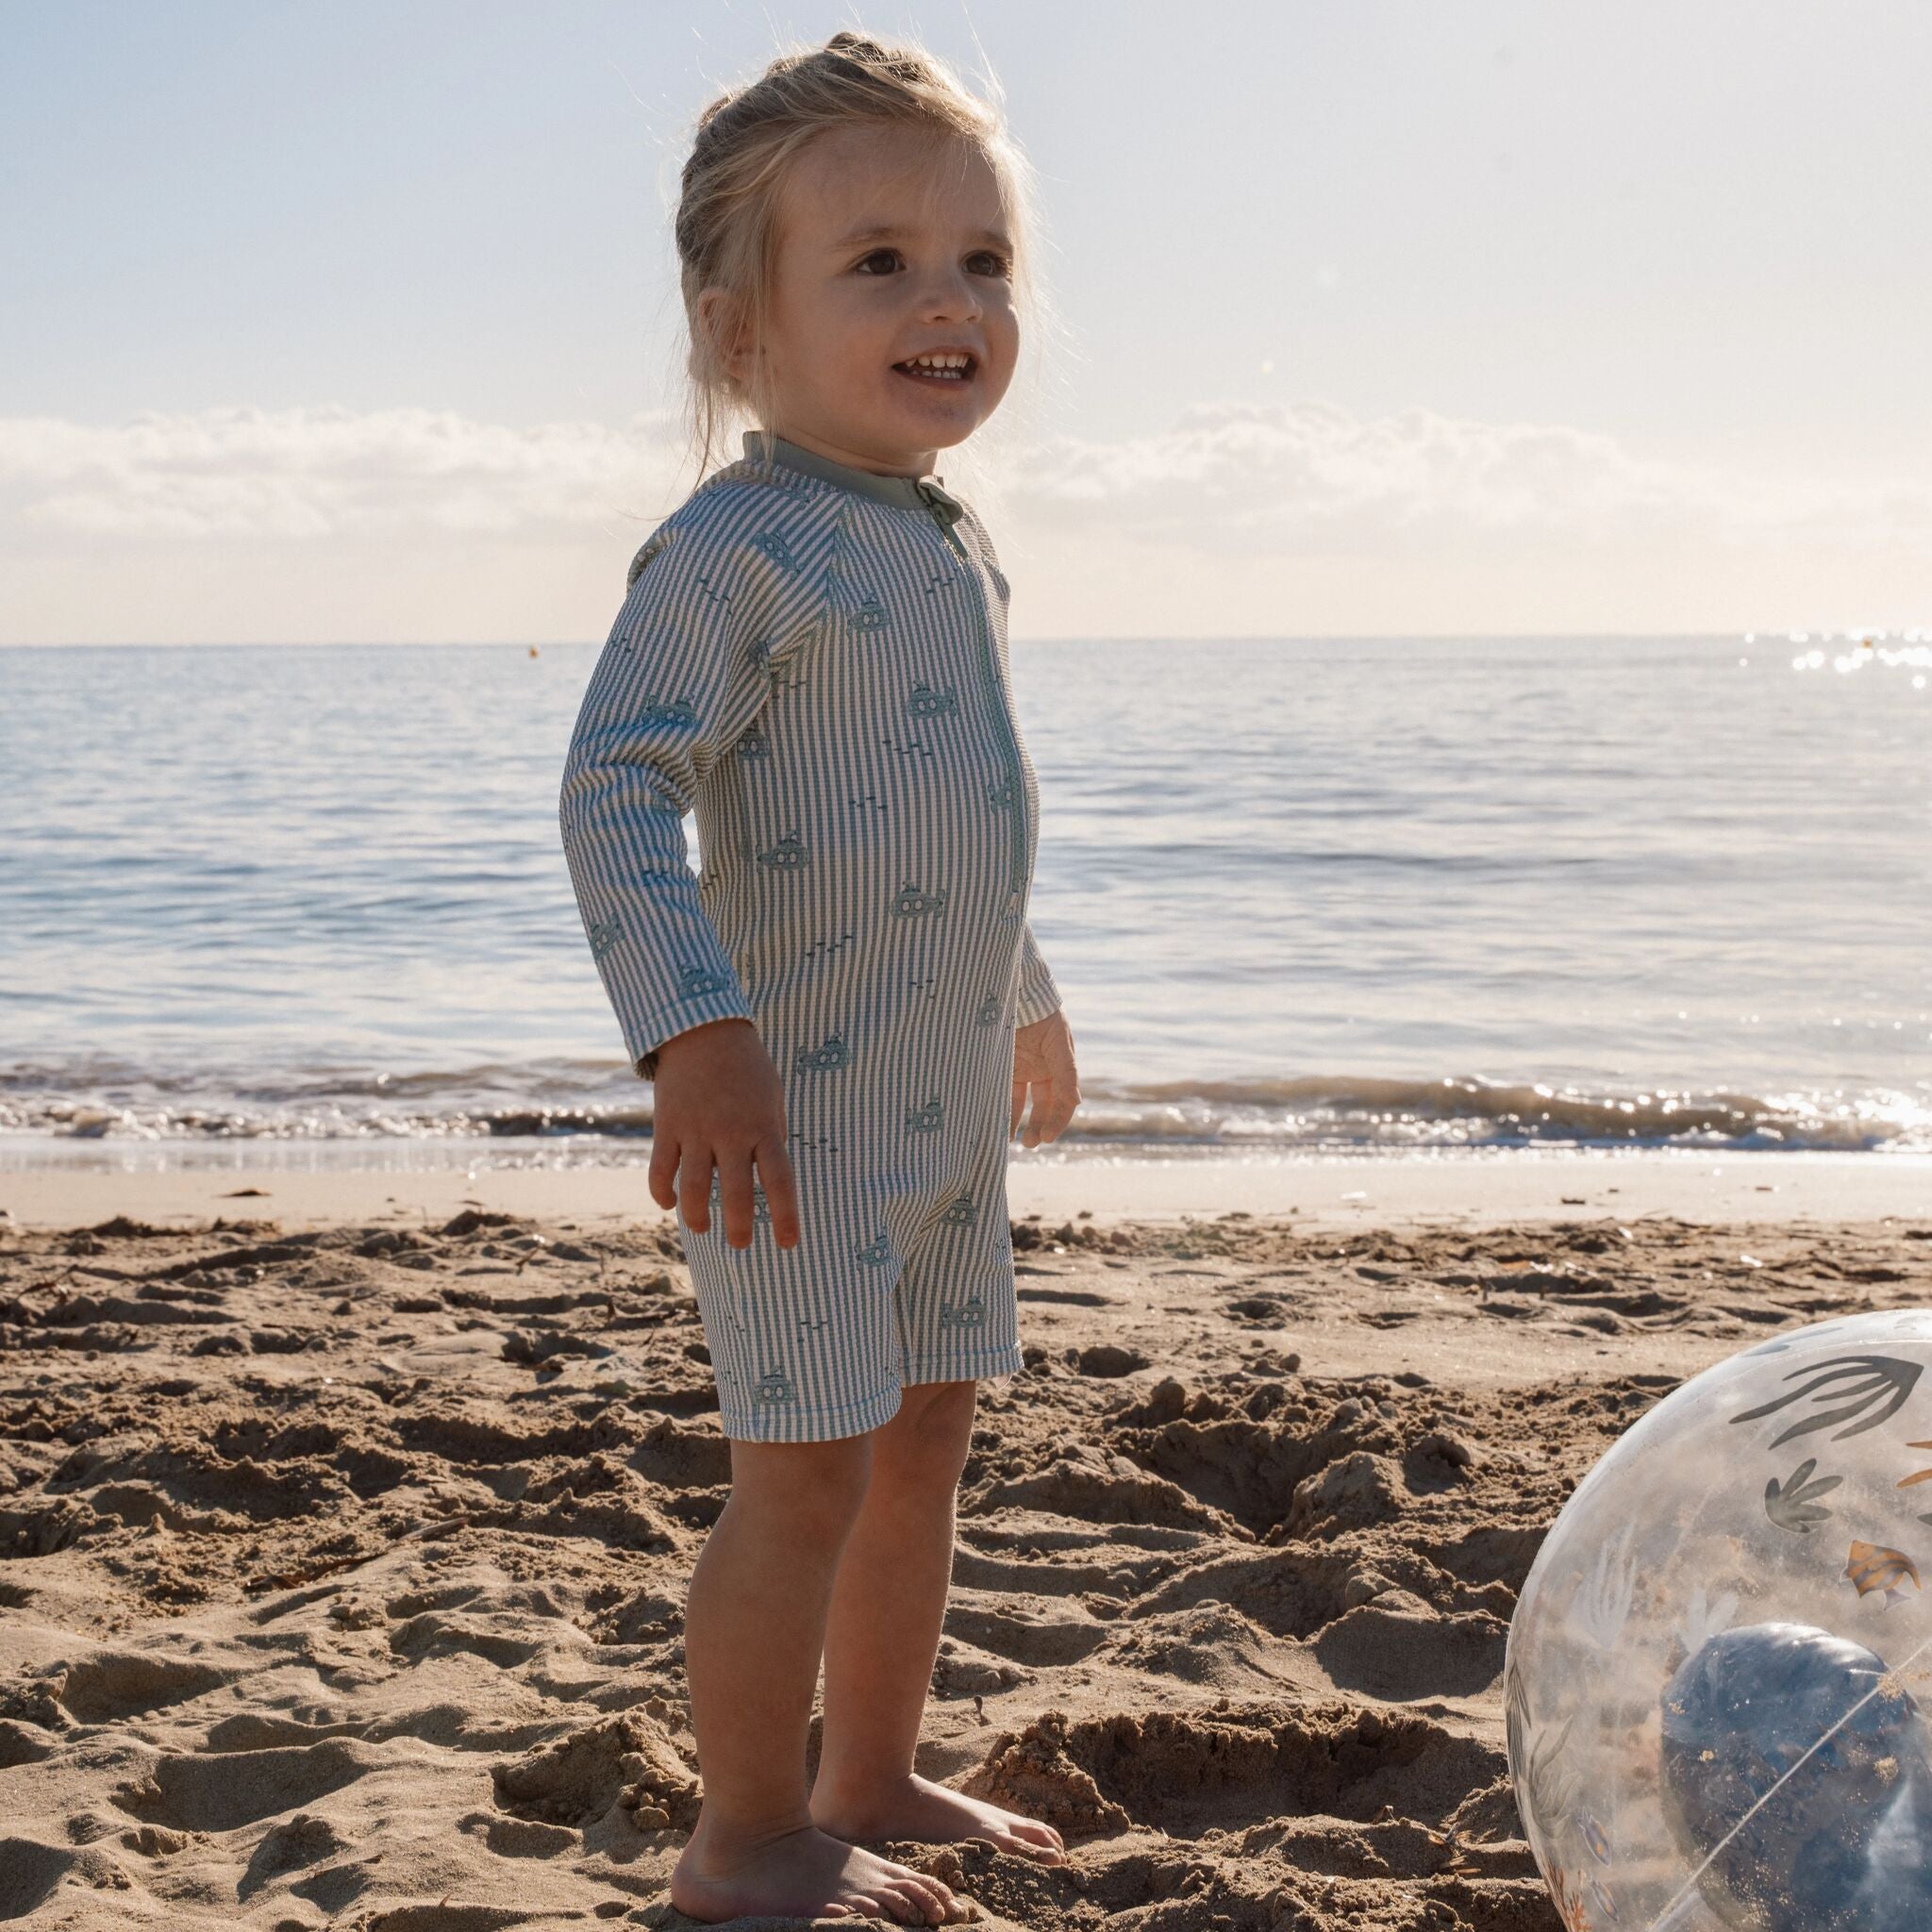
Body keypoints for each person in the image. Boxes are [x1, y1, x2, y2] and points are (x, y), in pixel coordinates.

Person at [557, 28, 1081, 1927]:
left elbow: (953, 809)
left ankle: (865, 1775)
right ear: (736, 333)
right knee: (798, 1476)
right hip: (795, 1121)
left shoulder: (947, 541)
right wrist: (691, 1035)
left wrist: (1023, 984)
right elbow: (615, 787)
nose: (948, 301)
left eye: (983, 261)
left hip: (935, 1103)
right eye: (878, 262)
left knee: (922, 1429)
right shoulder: (733, 549)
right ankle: (740, 1838)